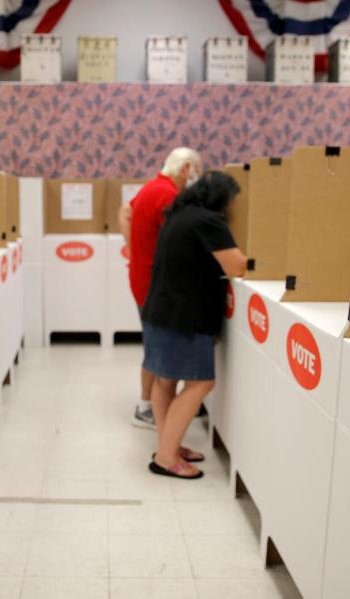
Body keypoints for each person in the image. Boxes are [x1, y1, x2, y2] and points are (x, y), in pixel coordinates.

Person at [140, 171, 247, 479]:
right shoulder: (208, 221)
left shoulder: (179, 214)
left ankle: (168, 444)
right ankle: (166, 457)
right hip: (186, 317)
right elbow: (237, 266)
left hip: (160, 311)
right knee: (201, 383)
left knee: (165, 380)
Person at [119, 147, 203, 430]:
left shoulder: (151, 188)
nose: (195, 178)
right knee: (158, 346)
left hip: (142, 276)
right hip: (155, 283)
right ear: (186, 168)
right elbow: (180, 241)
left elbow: (124, 212)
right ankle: (146, 408)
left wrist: (133, 248)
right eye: (196, 171)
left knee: (154, 342)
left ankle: (149, 405)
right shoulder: (168, 195)